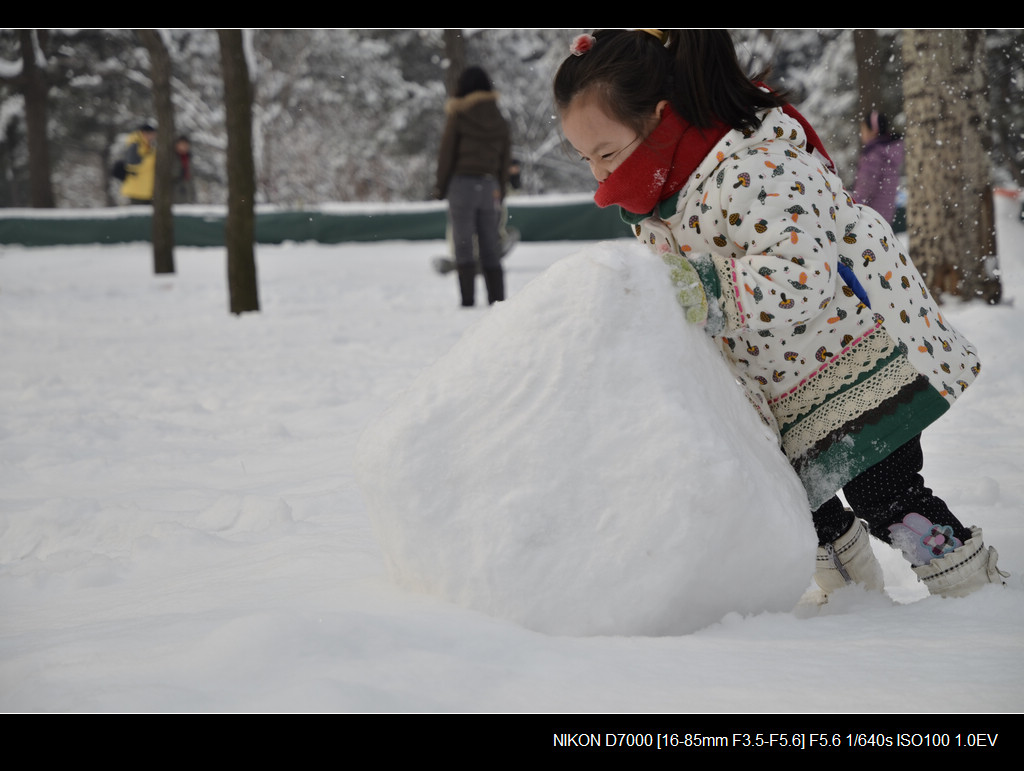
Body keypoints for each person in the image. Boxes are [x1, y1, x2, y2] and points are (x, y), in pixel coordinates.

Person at [554, 29, 1005, 599]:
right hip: (777, 385)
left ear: (658, 117)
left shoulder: (756, 165)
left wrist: (700, 287)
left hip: (854, 366)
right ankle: (851, 603)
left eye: (607, 153)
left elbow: (801, 277)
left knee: (886, 497)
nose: (598, 175)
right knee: (795, 502)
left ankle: (973, 593)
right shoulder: (663, 197)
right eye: (585, 157)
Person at [433, 66, 511, 307]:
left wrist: (440, 187)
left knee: (463, 244)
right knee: (490, 244)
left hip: (462, 185)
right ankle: (497, 301)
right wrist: (501, 190)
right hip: (490, 186)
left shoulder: (459, 115)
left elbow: (447, 153)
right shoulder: (499, 118)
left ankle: (467, 301)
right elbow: (505, 158)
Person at [852, 111, 904, 224]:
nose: (862, 133)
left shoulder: (873, 154)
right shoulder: (890, 151)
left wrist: (854, 207)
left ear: (874, 131)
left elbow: (865, 187)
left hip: (868, 216)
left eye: (864, 129)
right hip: (885, 215)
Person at [120, 123, 156, 204]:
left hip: (146, 190)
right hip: (136, 191)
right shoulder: (135, 145)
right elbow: (131, 165)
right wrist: (150, 160)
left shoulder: (148, 146)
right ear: (143, 133)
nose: (152, 137)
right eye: (150, 134)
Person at [173, 135, 197, 204]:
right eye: (182, 144)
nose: (184, 147)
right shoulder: (173, 158)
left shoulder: (189, 158)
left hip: (188, 193)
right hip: (175, 193)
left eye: (186, 145)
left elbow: (191, 178)